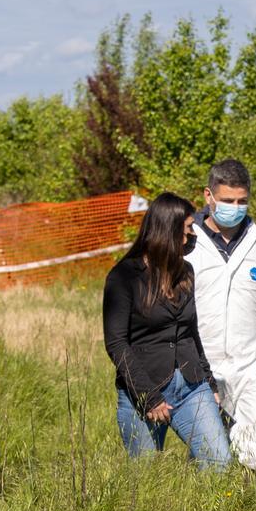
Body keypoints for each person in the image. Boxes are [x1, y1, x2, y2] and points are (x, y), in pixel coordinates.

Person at [103, 192, 231, 469]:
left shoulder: (186, 272)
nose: (192, 236)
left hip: (191, 385)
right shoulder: (124, 277)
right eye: (188, 229)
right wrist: (148, 397)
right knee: (146, 477)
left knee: (218, 463)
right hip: (143, 391)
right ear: (168, 232)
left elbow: (191, 332)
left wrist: (209, 384)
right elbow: (116, 343)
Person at [187, 158, 256, 471]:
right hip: (198, 364)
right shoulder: (188, 243)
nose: (235, 208)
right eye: (227, 201)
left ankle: (254, 497)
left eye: (242, 201)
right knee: (208, 456)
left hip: (253, 366)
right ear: (208, 196)